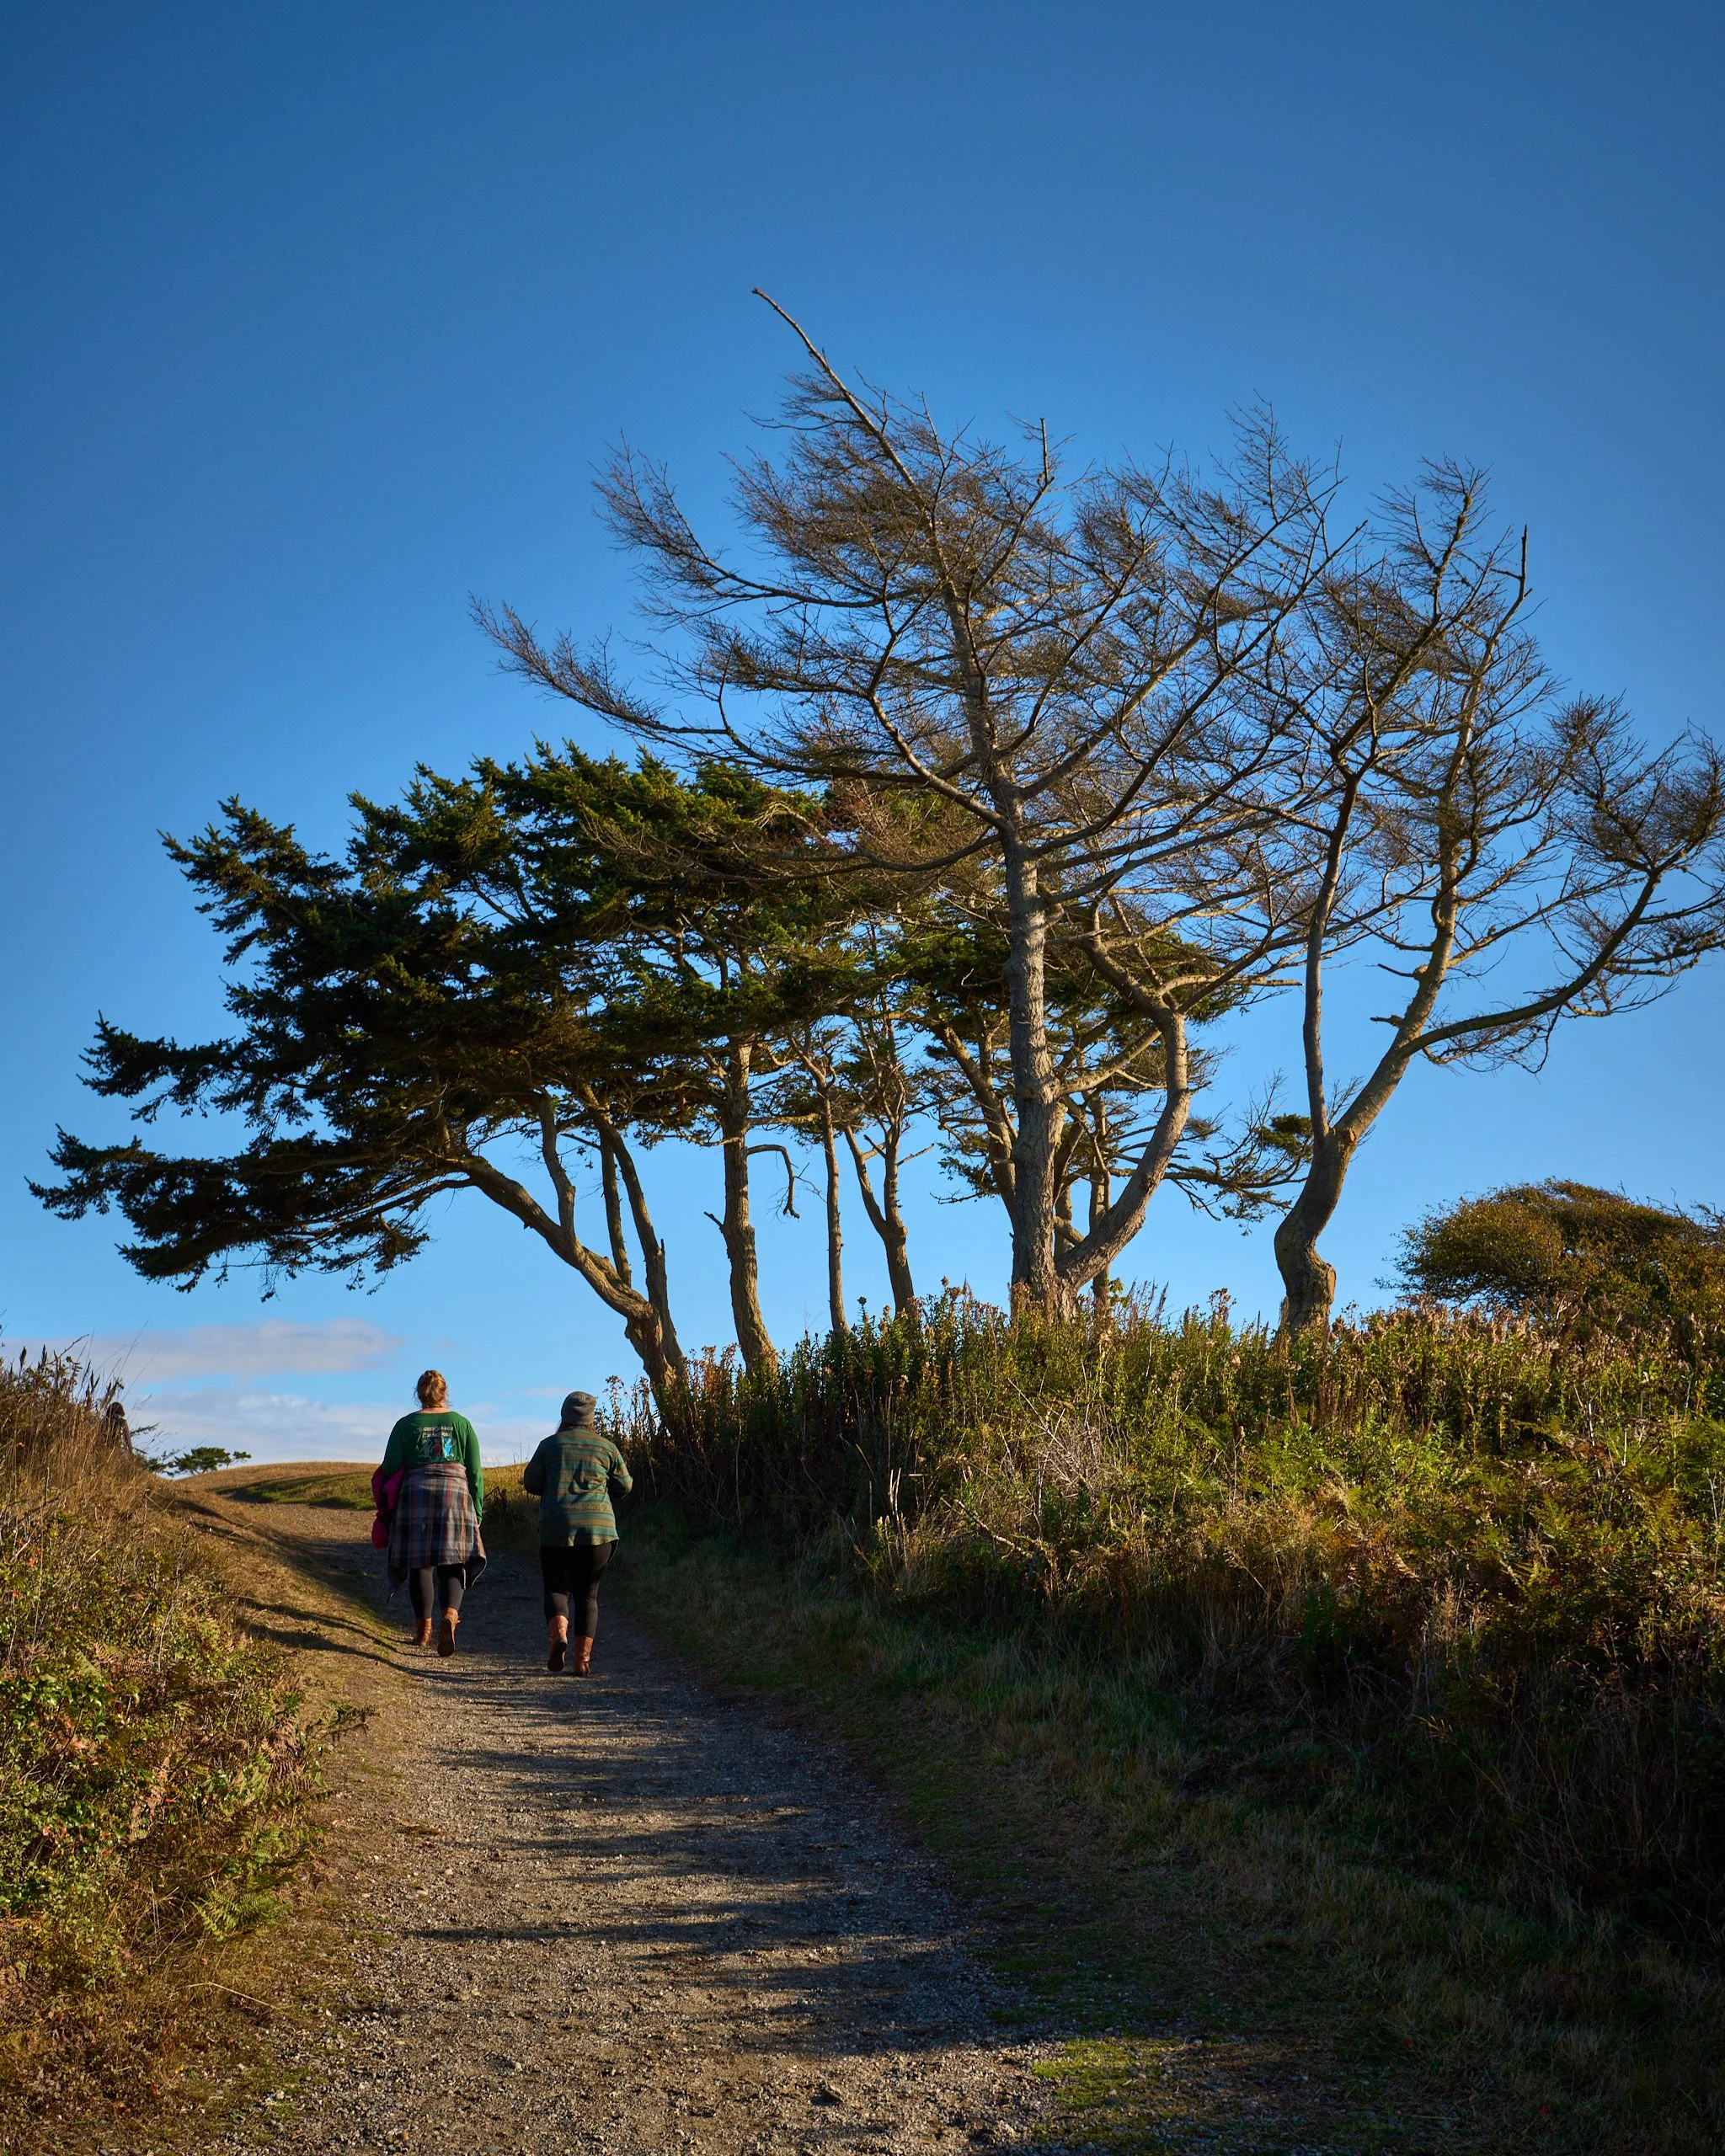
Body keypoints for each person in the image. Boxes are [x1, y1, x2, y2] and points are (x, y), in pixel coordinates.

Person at [521, 1390, 632, 1675]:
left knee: (557, 1587)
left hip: (557, 1528)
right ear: (591, 1418)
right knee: (588, 1595)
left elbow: (531, 1482)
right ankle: (582, 1661)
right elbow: (625, 1485)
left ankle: (559, 1635)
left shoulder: (549, 1446)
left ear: (563, 1416)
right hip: (599, 1531)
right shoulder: (606, 1448)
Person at [377, 1370, 486, 1656]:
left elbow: (389, 1466)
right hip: (456, 1495)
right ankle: (449, 1615)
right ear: (444, 1392)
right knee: (453, 1562)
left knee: (420, 1563)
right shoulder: (462, 1424)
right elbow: (475, 1471)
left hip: (417, 1494)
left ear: (420, 1393)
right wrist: (477, 1510)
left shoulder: (406, 1425)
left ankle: (423, 1631)